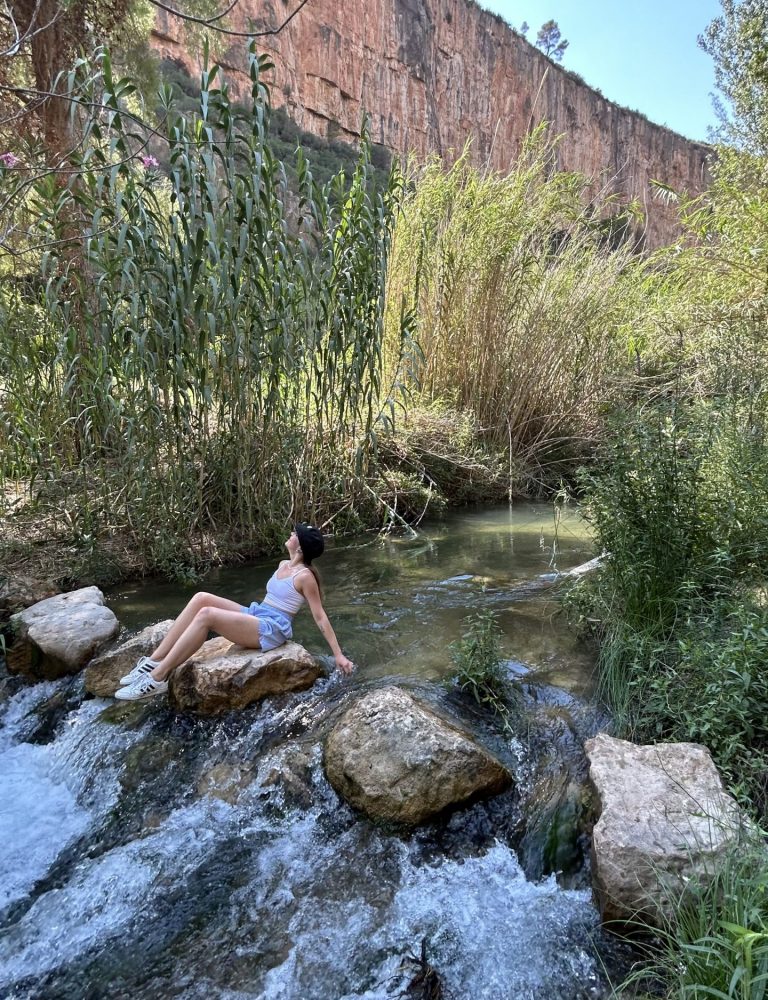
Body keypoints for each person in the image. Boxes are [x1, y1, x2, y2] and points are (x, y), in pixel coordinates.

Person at [115, 523, 354, 702]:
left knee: (207, 615)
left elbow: (320, 616)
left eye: (294, 533)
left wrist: (338, 655)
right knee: (201, 598)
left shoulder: (305, 577)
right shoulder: (284, 564)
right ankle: (153, 661)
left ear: (300, 545)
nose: (290, 534)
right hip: (259, 614)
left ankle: (158, 677)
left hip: (271, 629)